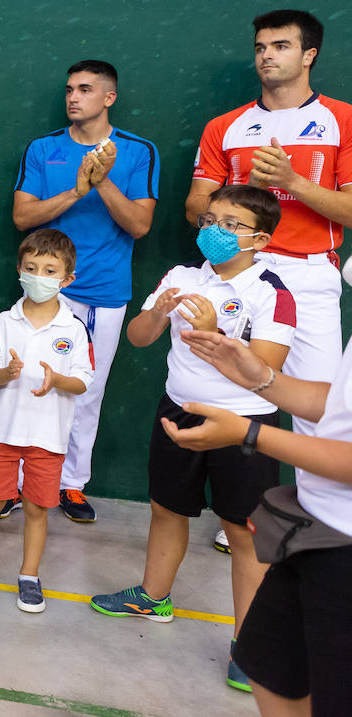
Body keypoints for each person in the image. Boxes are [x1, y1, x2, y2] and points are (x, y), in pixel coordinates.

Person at [91, 185, 294, 693]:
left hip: (244, 425)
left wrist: (217, 334)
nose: (215, 232)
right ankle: (153, 595)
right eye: (210, 220)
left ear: (260, 238)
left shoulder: (274, 292)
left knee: (243, 533)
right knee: (166, 508)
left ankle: (250, 646)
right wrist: (158, 313)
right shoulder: (181, 276)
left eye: (231, 225)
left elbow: (266, 371)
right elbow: (138, 337)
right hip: (176, 412)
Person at [185, 9, 352, 554]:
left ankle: (319, 519)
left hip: (310, 276)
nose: (266, 55)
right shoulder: (225, 127)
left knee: (318, 404)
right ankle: (241, 515)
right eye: (260, 46)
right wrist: (233, 216)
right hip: (241, 274)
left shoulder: (342, 121)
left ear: (309, 55)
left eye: (280, 46)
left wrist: (292, 183)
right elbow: (195, 207)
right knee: (236, 391)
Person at [163, 320, 352, 715]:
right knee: (268, 667)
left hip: (342, 548)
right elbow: (340, 405)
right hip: (314, 533)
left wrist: (249, 434)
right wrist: (262, 379)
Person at [10, 60, 158, 523]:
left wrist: (103, 180)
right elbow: (22, 217)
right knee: (27, 383)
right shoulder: (43, 148)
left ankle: (71, 484)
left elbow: (139, 224)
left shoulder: (138, 152)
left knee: (84, 392)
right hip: (43, 287)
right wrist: (77, 191)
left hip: (102, 293)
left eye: (86, 89)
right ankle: (16, 485)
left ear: (109, 97)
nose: (73, 97)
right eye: (70, 89)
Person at [0, 230, 93, 613]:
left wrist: (57, 381)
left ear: (68, 279)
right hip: (3, 431)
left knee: (36, 508)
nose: (39, 276)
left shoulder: (75, 329)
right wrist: (8, 373)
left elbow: (83, 381)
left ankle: (29, 576)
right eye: (31, 268)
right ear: (19, 270)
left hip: (48, 438)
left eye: (50, 270)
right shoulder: (4, 322)